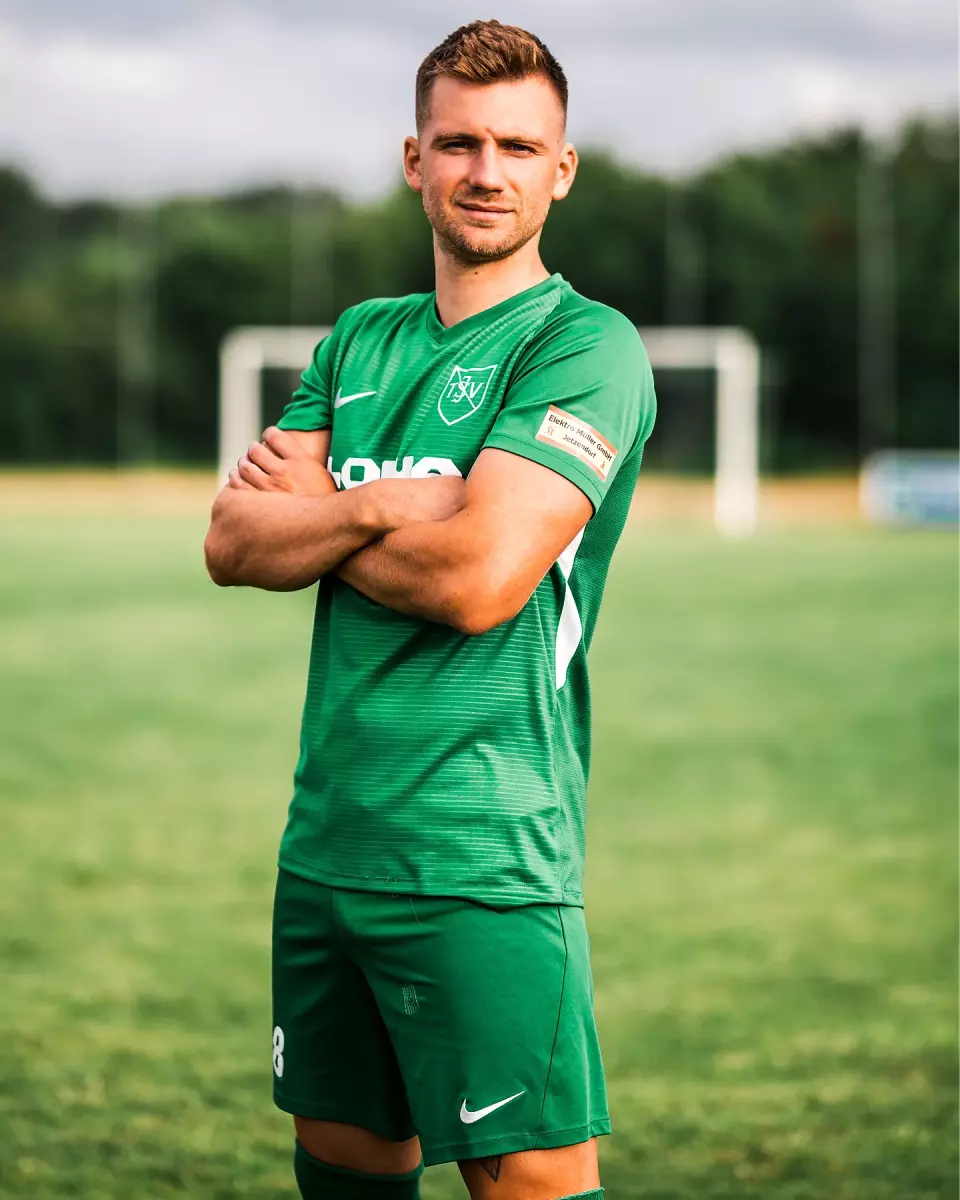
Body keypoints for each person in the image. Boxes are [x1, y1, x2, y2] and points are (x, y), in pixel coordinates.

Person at [204, 18, 655, 1200]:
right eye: (459, 143)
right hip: (328, 846)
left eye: (519, 146)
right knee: (343, 1166)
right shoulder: (361, 338)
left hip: (482, 855)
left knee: (529, 1181)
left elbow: (476, 581)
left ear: (562, 170)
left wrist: (322, 514)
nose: (486, 171)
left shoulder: (584, 346)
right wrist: (380, 505)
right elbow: (233, 540)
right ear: (416, 161)